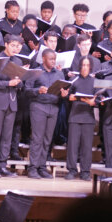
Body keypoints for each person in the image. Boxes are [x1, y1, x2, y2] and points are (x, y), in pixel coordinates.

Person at [26, 49, 68, 179]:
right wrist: (38, 90)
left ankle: (42, 167)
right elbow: (26, 90)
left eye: (54, 59)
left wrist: (64, 95)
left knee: (47, 139)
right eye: (51, 59)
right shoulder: (35, 72)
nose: (53, 61)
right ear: (43, 58)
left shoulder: (59, 74)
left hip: (53, 107)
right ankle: (32, 168)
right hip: (39, 106)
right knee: (37, 138)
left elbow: (64, 91)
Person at [0, 34, 25, 177]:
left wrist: (20, 81)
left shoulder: (18, 61)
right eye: (13, 45)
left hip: (12, 101)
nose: (16, 48)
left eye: (18, 46)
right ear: (6, 44)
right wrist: (8, 83)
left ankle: (3, 164)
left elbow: (21, 83)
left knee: (7, 136)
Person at [65, 57, 96, 180]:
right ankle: (72, 170)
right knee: (72, 146)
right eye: (83, 65)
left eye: (87, 65)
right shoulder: (74, 80)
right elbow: (68, 96)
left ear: (90, 67)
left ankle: (85, 172)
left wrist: (94, 102)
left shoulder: (94, 81)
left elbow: (98, 99)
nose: (84, 67)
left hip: (88, 118)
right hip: (75, 116)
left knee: (87, 147)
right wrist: (69, 97)